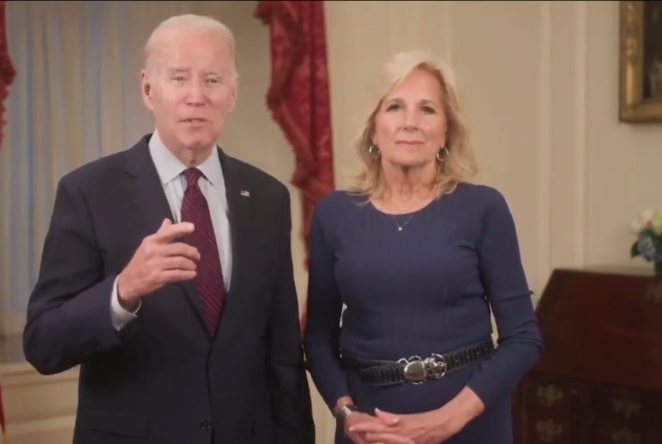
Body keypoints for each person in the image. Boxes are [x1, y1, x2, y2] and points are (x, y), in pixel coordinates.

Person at [23, 14, 315, 444]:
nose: (196, 96)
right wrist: (123, 290)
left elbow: (283, 352)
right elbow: (43, 344)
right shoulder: (88, 191)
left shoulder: (268, 197)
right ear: (148, 89)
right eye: (179, 78)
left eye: (212, 80)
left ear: (232, 93)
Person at [302, 50, 543, 444]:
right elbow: (318, 338)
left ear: (446, 131)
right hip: (369, 431)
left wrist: (445, 421)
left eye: (427, 109)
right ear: (374, 128)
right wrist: (346, 413)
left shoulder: (483, 208)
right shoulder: (334, 214)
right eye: (395, 107)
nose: (410, 122)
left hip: (469, 427)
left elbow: (523, 339)